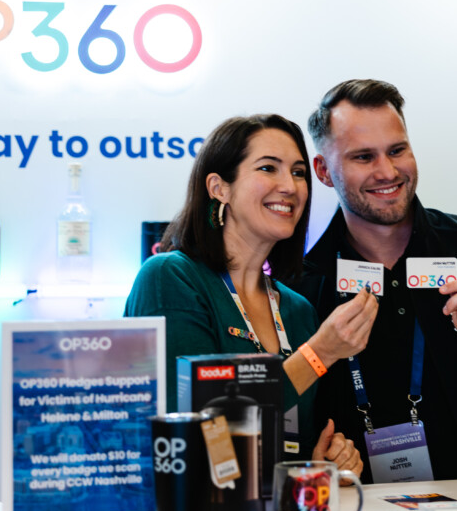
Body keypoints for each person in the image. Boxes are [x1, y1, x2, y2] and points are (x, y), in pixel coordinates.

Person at [298, 79, 457, 483]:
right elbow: (285, 413)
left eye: (397, 150)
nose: (387, 171)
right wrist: (313, 459)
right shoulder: (300, 282)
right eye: (363, 157)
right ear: (324, 171)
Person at [125, 114, 378, 471]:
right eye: (268, 168)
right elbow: (196, 429)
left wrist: (321, 461)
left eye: (298, 172)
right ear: (219, 188)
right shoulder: (171, 277)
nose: (289, 186)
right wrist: (320, 352)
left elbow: (290, 442)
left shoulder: (297, 309)